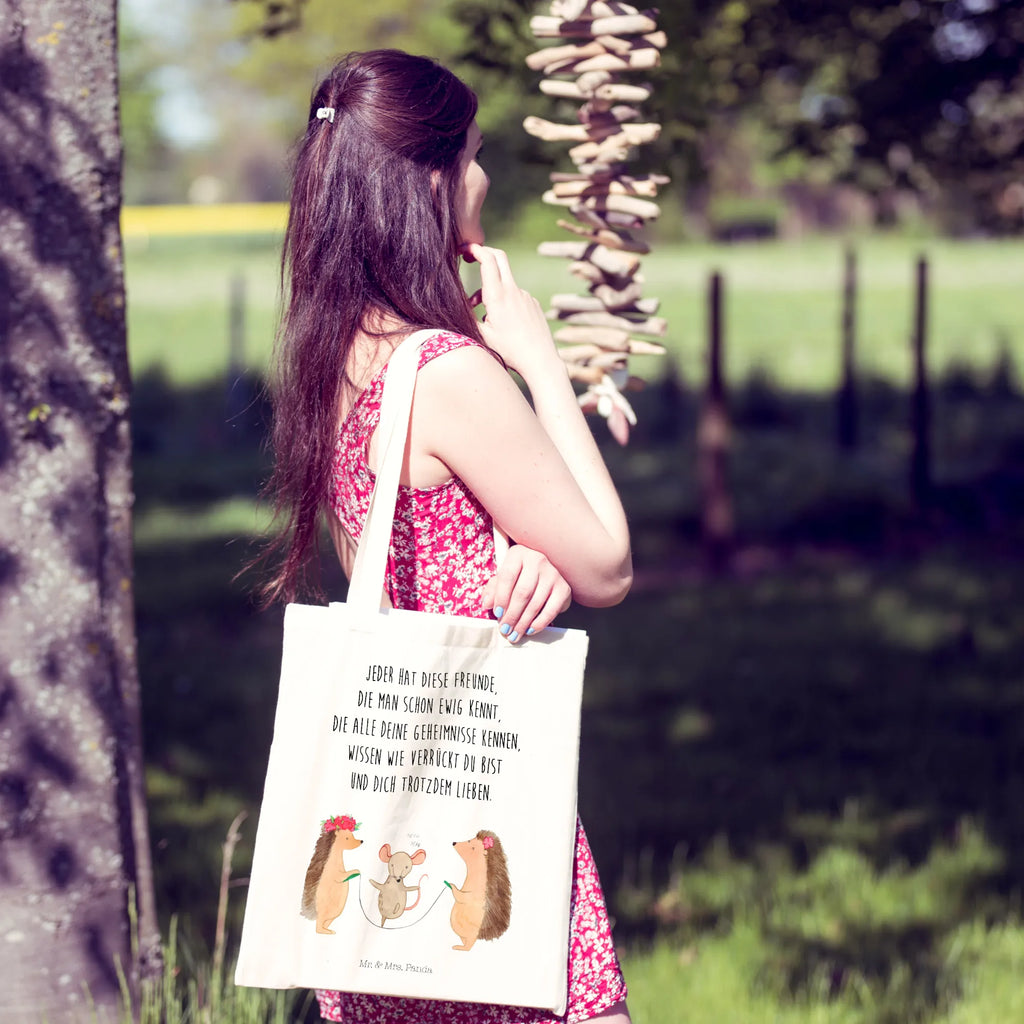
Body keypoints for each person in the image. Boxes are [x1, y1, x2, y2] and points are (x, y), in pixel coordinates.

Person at [260, 48, 633, 1024]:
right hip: (481, 803)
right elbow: (608, 563)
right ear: (430, 178)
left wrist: (521, 551)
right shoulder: (449, 373)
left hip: (392, 820)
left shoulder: (335, 354)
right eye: (470, 155)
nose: (483, 178)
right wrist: (540, 364)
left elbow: (401, 551)